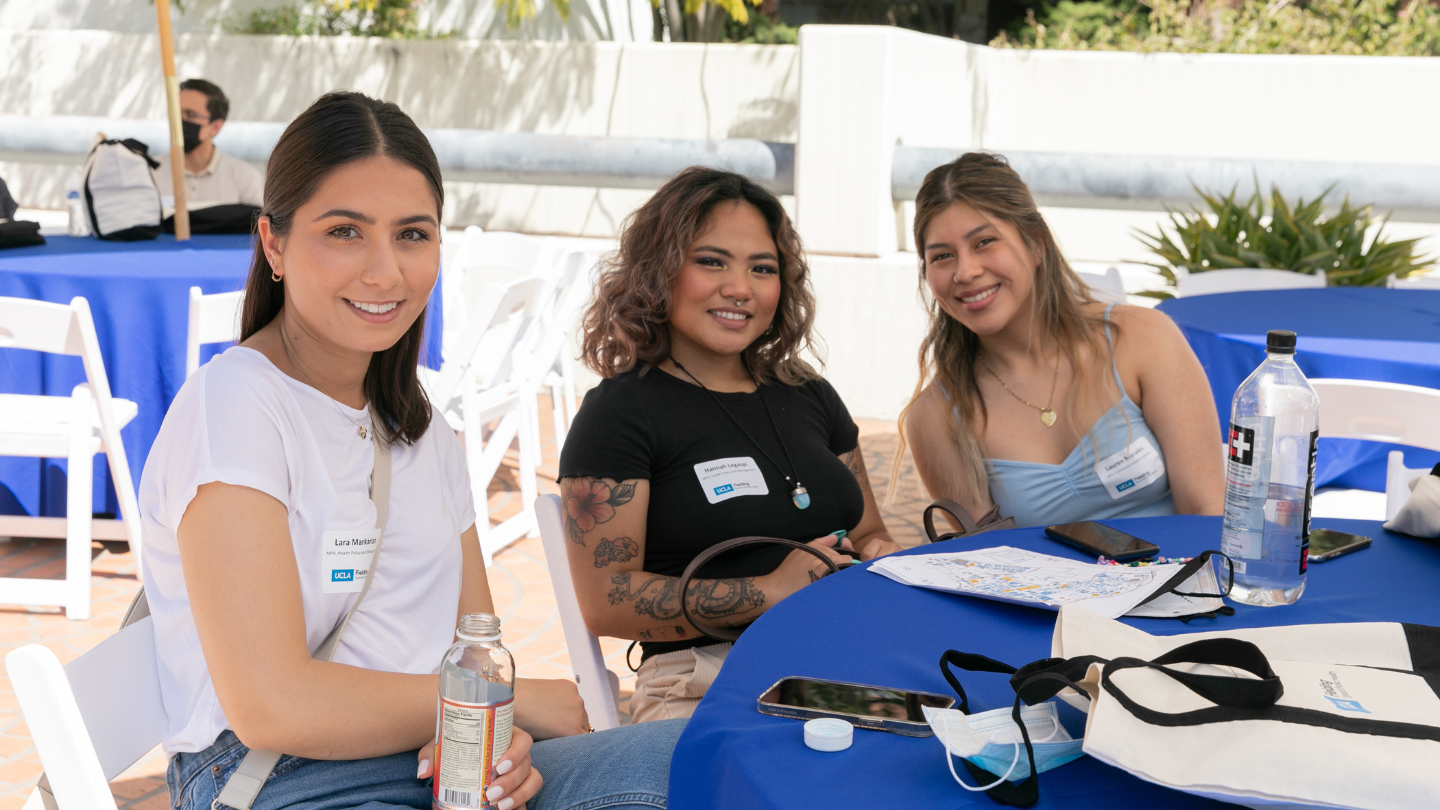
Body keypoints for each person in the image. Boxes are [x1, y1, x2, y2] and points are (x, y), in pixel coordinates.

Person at [139, 91, 683, 810]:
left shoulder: (420, 426)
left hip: (428, 760)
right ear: (273, 244)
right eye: (343, 232)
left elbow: (473, 650)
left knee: (710, 758)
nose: (385, 272)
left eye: (412, 234)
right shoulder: (237, 406)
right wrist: (506, 700)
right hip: (281, 776)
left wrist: (496, 731)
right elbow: (271, 705)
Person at [558, 167, 902, 724]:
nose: (740, 287)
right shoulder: (620, 413)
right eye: (711, 261)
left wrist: (880, 552)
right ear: (659, 269)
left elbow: (868, 530)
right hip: (704, 677)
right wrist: (769, 590)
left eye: (762, 269)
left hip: (843, 660)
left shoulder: (809, 392)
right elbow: (605, 599)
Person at [897, 153, 1224, 530]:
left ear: (1036, 243)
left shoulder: (1143, 339)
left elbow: (1205, 515)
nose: (965, 271)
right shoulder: (937, 418)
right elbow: (987, 561)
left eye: (984, 241)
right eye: (942, 256)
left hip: (1181, 581)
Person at [150, 79, 264, 208]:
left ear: (215, 127)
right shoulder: (149, 173)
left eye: (191, 115)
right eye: (175, 113)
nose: (179, 122)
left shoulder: (245, 178)